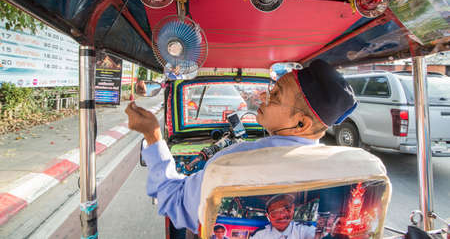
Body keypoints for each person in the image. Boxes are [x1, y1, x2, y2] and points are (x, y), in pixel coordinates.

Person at [125, 59, 357, 233]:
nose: (264, 98)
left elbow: (173, 201)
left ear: (301, 123)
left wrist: (153, 135)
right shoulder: (341, 172)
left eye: (275, 96)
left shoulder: (233, 161)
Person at [250, 194, 315, 239]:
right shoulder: (260, 235)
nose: (282, 216)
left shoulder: (304, 230)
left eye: (287, 209)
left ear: (293, 210)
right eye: (275, 212)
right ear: (268, 216)